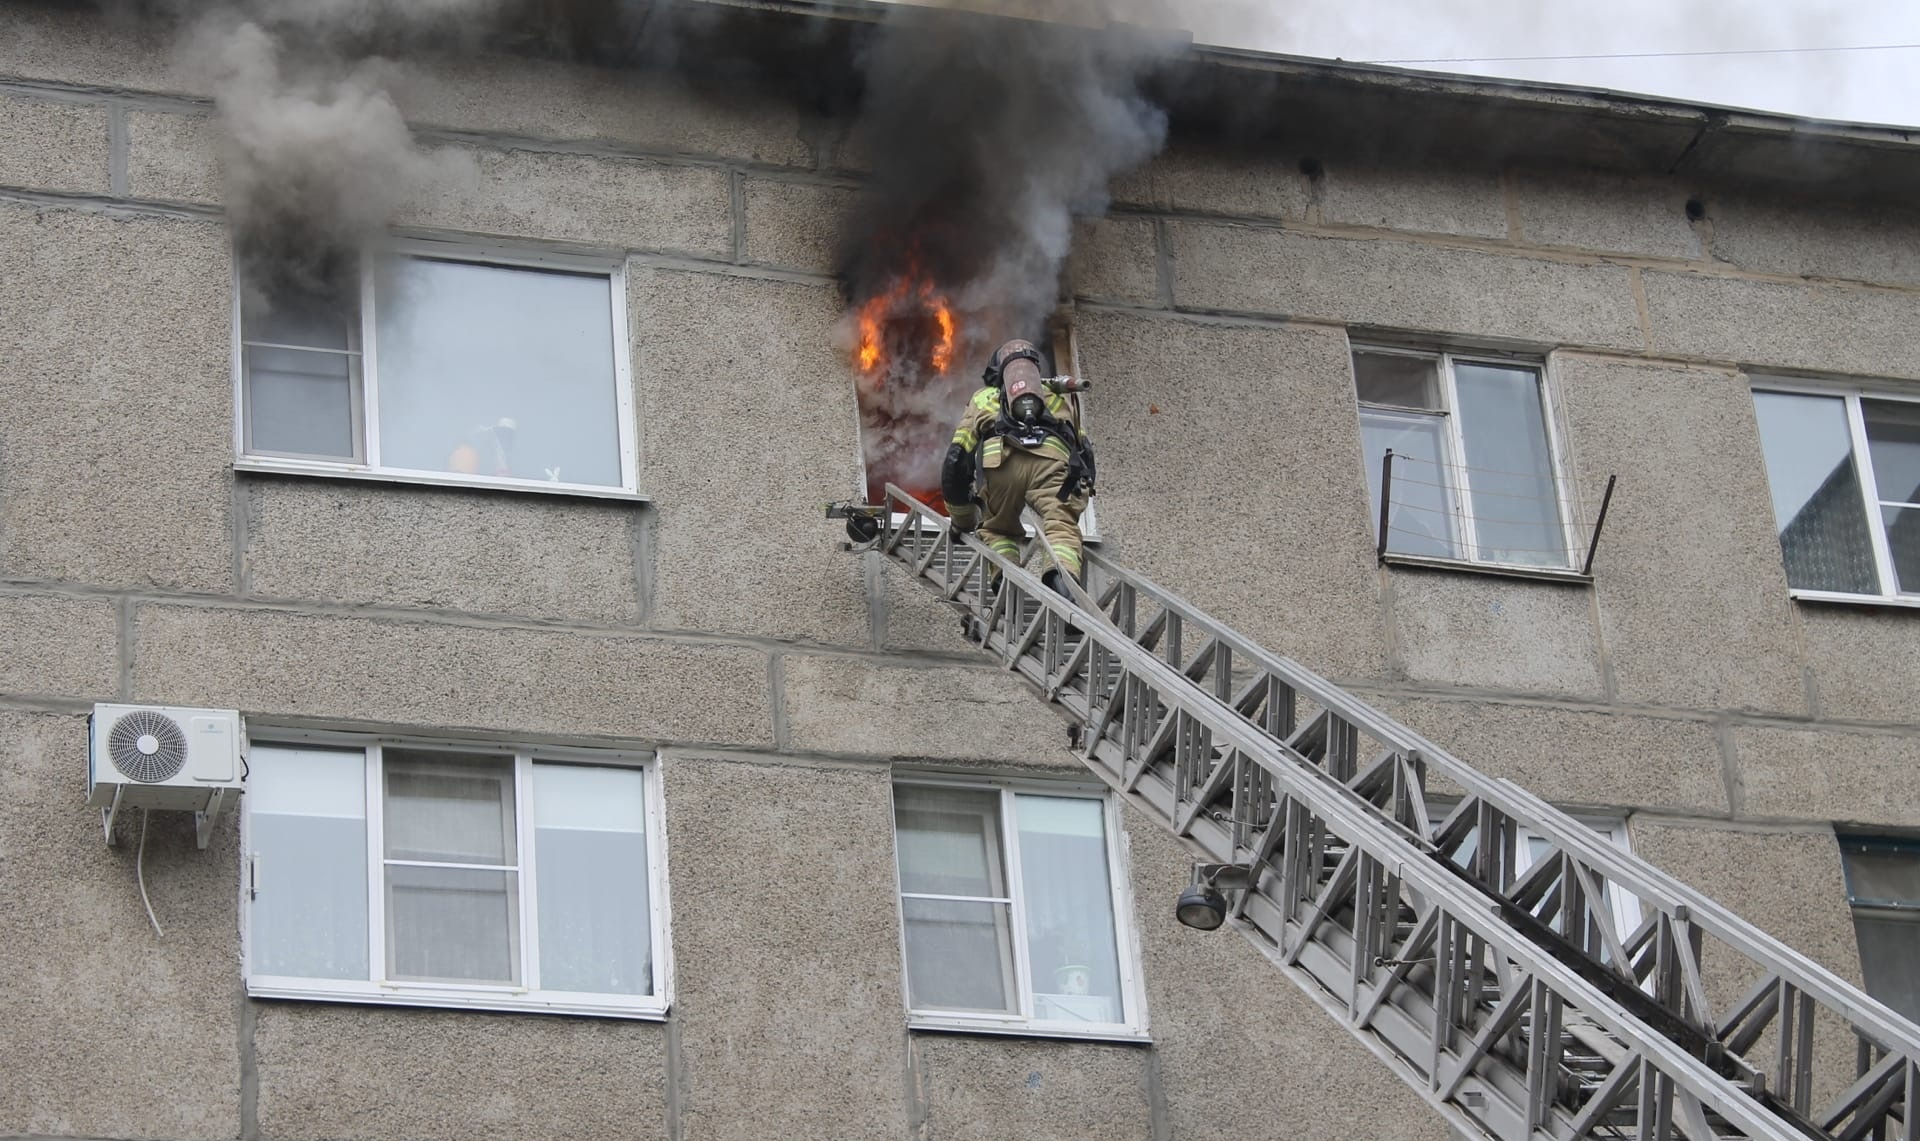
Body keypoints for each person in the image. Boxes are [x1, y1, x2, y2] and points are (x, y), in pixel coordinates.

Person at [940, 338, 1096, 594]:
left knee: (997, 528)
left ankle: (1006, 582)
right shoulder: (1056, 398)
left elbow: (957, 458)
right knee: (1060, 525)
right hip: (1051, 467)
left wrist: (962, 520)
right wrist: (1081, 491)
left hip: (1001, 466)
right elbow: (1084, 451)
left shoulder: (983, 398)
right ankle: (1064, 585)